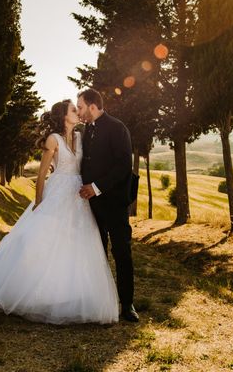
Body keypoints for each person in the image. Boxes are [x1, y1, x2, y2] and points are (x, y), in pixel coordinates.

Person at [0, 99, 119, 324]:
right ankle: (32, 290)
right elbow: (41, 174)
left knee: (76, 240)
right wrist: (39, 202)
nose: (77, 113)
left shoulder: (80, 137)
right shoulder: (53, 139)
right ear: (63, 116)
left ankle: (70, 293)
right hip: (58, 190)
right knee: (44, 238)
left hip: (77, 194)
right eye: (73, 110)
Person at [77, 88, 139, 322]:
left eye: (81, 107)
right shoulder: (85, 131)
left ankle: (127, 304)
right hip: (92, 205)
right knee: (97, 252)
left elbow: (123, 166)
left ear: (93, 105)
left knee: (121, 251)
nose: (80, 112)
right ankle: (101, 300)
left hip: (114, 202)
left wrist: (97, 186)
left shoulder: (117, 128)